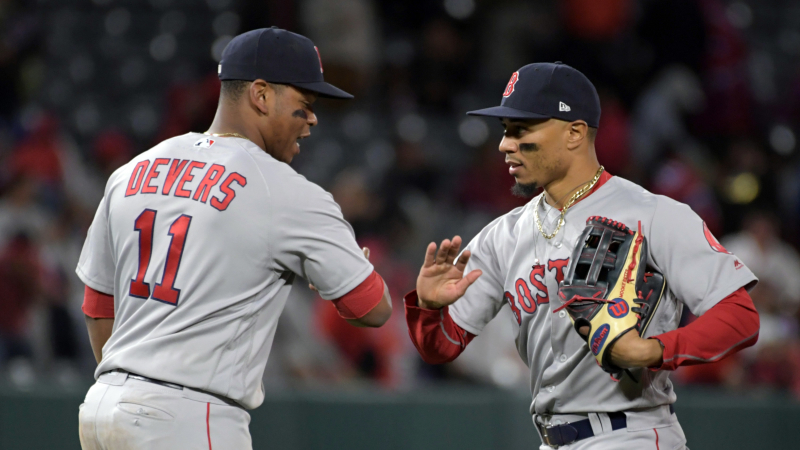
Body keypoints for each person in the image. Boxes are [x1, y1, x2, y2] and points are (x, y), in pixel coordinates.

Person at [404, 62, 760, 449]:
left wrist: (653, 350)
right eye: (506, 132)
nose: (505, 144)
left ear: (574, 133)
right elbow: (441, 347)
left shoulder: (653, 215)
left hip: (631, 434)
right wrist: (427, 307)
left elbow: (740, 317)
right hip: (550, 439)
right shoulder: (500, 235)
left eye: (521, 130)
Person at [76, 28, 392, 450]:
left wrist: (129, 392)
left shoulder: (134, 169)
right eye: (304, 105)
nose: (313, 119)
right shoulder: (285, 189)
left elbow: (98, 305)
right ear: (261, 95)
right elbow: (371, 308)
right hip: (187, 416)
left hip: (101, 409)